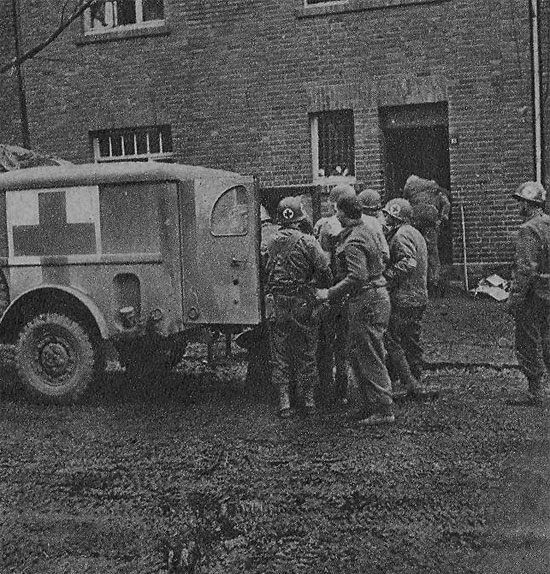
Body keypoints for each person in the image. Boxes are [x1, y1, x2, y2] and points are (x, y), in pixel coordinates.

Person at [316, 194, 394, 426]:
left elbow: (356, 277)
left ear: (343, 213)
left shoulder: (353, 241)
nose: (335, 214)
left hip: (367, 299)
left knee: (369, 353)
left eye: (337, 211)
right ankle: (368, 405)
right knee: (360, 352)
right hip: (373, 296)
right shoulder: (366, 229)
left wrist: (328, 293)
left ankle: (382, 408)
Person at [264, 196, 332, 418]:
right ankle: (308, 400)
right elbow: (324, 271)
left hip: (278, 303)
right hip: (303, 301)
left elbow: (263, 271)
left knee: (280, 353)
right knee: (306, 351)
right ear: (299, 217)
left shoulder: (268, 242)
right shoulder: (308, 241)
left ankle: (284, 402)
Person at [507, 181, 550, 405]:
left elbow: (525, 268)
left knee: (526, 341)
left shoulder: (527, 229)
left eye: (521, 202)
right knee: (546, 337)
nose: (519, 207)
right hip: (548, 292)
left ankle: (534, 390)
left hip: (532, 294)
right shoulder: (548, 224)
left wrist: (514, 299)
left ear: (529, 203)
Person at [314, 184, 357, 405]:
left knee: (326, 343)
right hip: (354, 291)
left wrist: (326, 290)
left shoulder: (326, 225)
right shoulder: (368, 224)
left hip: (333, 290)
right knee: (345, 343)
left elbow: (324, 262)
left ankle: (327, 390)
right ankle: (343, 390)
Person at [382, 198, 429, 398]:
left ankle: (410, 381)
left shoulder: (401, 236)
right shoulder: (414, 232)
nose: (384, 219)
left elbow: (408, 263)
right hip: (417, 295)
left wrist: (387, 277)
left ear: (396, 217)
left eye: (388, 216)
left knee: (395, 337)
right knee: (411, 337)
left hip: (405, 296)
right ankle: (414, 378)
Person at [238, 205, 279, 394]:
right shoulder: (278, 232)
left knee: (260, 342)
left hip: (264, 295)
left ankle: (257, 384)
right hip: (282, 295)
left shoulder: (256, 238)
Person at [403, 175, 450, 297]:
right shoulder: (434, 189)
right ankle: (434, 281)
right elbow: (446, 203)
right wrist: (442, 217)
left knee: (415, 250)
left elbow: (404, 204)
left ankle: (417, 281)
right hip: (430, 222)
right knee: (432, 252)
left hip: (415, 222)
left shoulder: (409, 188)